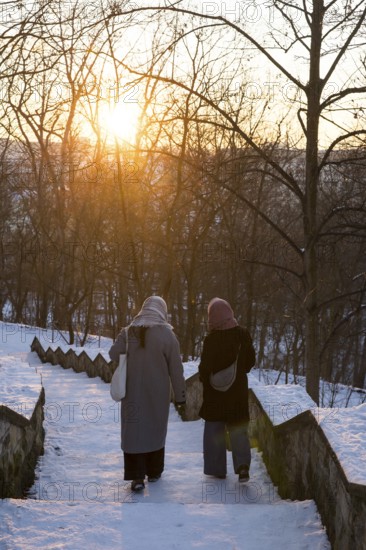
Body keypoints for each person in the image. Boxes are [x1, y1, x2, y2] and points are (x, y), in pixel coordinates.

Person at [109, 296, 186, 492]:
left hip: (132, 393)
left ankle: (136, 477)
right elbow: (176, 369)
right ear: (162, 310)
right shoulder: (167, 335)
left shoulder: (129, 332)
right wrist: (180, 396)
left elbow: (113, 353)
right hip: (157, 395)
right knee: (155, 430)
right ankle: (154, 471)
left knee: (133, 433)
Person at [198, 297, 256, 483]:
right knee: (238, 427)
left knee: (215, 428)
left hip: (215, 393)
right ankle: (243, 466)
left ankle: (217, 469)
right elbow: (250, 362)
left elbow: (205, 368)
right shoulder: (243, 334)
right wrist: (238, 373)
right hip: (237, 391)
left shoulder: (211, 339)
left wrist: (207, 381)